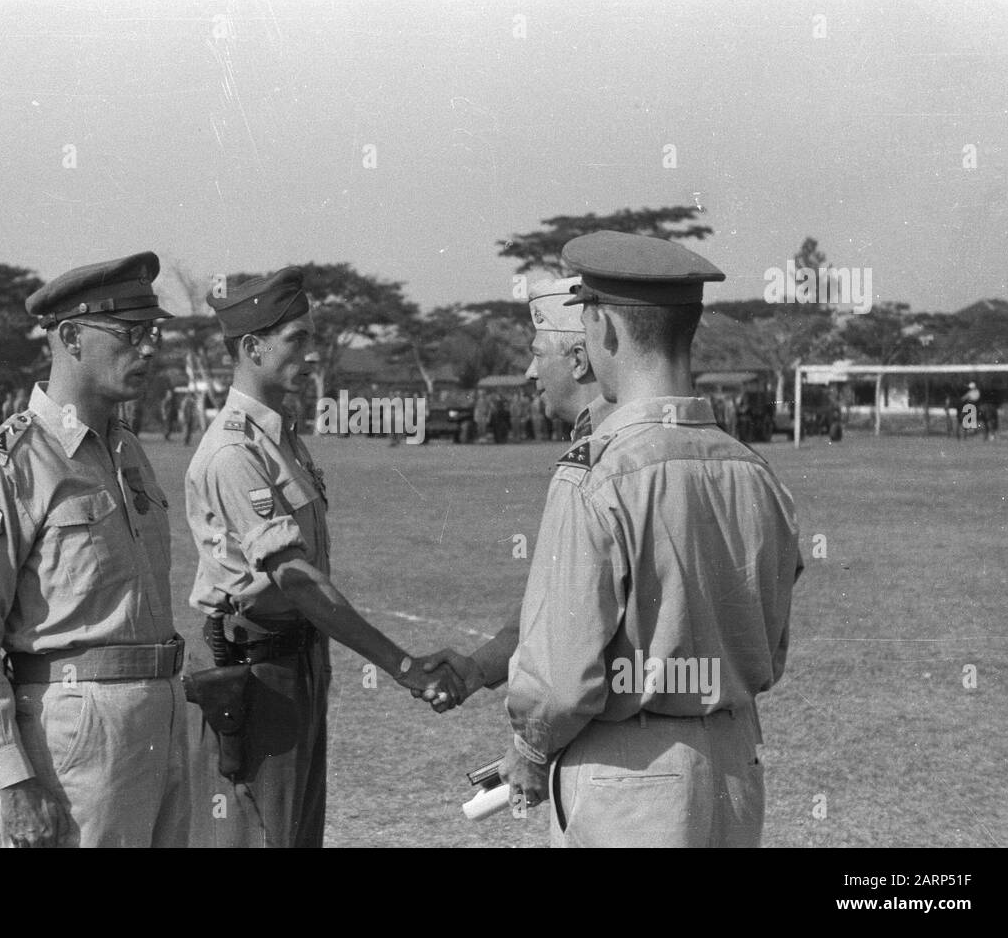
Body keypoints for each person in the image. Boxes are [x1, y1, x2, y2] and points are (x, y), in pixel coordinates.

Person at [500, 231, 803, 848]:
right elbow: (769, 646)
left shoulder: (597, 473)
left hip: (631, 780)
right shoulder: (754, 470)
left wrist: (529, 750)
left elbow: (561, 680)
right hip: (734, 765)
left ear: (604, 328)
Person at [183, 266, 462, 848]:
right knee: (265, 837)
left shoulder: (280, 437)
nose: (310, 354)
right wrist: (402, 665)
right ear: (253, 347)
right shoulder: (234, 451)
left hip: (299, 665)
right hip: (259, 675)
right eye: (298, 339)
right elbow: (298, 582)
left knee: (297, 835)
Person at [0, 251, 188, 848]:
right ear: (71, 336)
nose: (150, 348)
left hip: (162, 718)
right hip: (79, 734)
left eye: (154, 332)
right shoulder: (11, 463)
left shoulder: (126, 451)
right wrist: (11, 780)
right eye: (130, 333)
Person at [416, 277, 615, 710]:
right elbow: (556, 595)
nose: (530, 373)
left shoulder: (604, 462)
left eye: (538, 355)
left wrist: (531, 745)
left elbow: (574, 627)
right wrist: (479, 667)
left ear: (579, 359)